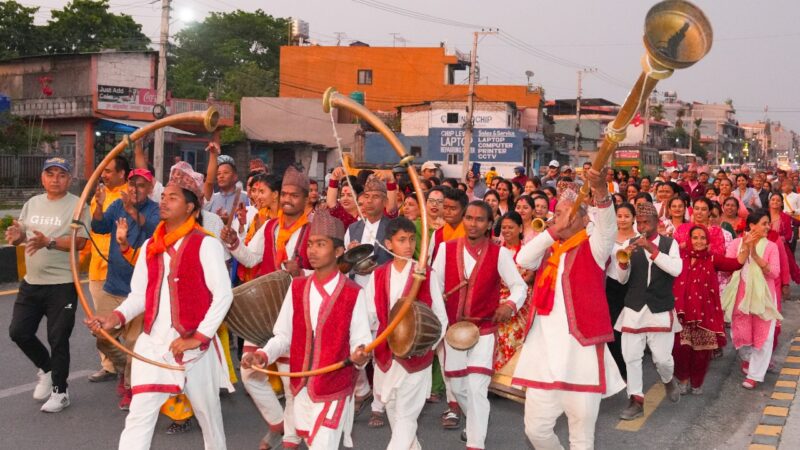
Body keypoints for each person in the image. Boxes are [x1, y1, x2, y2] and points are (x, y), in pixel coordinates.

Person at [86, 165, 233, 449]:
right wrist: (115, 317)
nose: (164, 201)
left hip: (194, 350)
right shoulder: (152, 245)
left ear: (191, 207)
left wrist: (197, 338)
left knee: (209, 418)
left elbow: (223, 297)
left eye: (173, 197)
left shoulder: (207, 245)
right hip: (153, 345)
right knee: (139, 415)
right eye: (163, 195)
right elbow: (139, 295)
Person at [514, 168, 625, 450]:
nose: (556, 217)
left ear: (582, 218)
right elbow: (524, 259)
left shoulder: (595, 248)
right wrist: (553, 230)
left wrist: (601, 193)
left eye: (564, 212)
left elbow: (609, 227)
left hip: (581, 356)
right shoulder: (548, 248)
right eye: (556, 212)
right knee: (536, 431)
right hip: (543, 357)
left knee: (582, 439)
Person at [242, 210, 371, 449]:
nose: (312, 250)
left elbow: (361, 341)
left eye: (320, 244)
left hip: (335, 386)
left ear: (339, 251)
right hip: (301, 385)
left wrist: (361, 355)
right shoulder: (297, 287)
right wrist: (262, 354)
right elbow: (282, 335)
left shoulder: (354, 293)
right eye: (310, 244)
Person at [221, 167, 313, 449]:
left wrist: (303, 273)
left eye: (293, 195)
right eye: (284, 194)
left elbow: (332, 270)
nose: (287, 200)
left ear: (305, 198)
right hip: (264, 313)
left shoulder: (315, 227)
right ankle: (278, 423)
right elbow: (251, 259)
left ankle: (290, 438)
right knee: (249, 373)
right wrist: (234, 243)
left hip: (297, 313)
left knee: (289, 382)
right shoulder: (270, 226)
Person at [431, 201, 527, 449]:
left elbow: (519, 286)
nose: (473, 224)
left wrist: (509, 305)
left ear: (488, 224)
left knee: (476, 388)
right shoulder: (445, 249)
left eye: (480, 219)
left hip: (484, 331)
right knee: (459, 386)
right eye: (469, 218)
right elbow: (435, 287)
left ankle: (475, 443)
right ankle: (474, 420)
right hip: (452, 331)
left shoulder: (500, 253)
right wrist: (441, 325)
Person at [7, 157, 90, 413]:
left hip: (62, 284)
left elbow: (81, 242)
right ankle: (46, 367)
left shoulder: (77, 205)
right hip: (32, 283)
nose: (55, 179)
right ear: (43, 178)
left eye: (61, 175)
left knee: (58, 338)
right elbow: (21, 234)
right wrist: (18, 236)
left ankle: (60, 391)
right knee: (18, 332)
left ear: (70, 179)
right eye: (50, 174)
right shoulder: (33, 203)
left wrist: (50, 242)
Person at [364, 217, 448, 450]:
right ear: (388, 245)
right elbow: (369, 316)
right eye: (402, 240)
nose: (408, 245)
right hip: (385, 358)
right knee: (396, 415)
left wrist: (425, 345)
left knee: (406, 418)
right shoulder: (378, 275)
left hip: (416, 359)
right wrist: (363, 344)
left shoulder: (426, 274)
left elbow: (441, 318)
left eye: (411, 239)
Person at [90, 168, 160, 409]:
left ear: (150, 188)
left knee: (133, 343)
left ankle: (132, 387)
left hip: (139, 292)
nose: (135, 189)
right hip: (113, 286)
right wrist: (99, 206)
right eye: (132, 184)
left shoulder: (156, 209)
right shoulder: (117, 206)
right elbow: (98, 227)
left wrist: (131, 210)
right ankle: (123, 370)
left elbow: (154, 231)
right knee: (102, 334)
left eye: (141, 185)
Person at [613, 202, 683, 420]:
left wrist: (651, 249)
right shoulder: (628, 243)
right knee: (631, 357)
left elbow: (676, 269)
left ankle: (668, 379)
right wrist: (623, 264)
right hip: (634, 307)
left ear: (657, 223)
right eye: (639, 222)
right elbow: (622, 279)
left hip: (659, 307)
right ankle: (636, 400)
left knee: (662, 359)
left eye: (647, 222)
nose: (642, 226)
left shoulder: (670, 244)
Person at [673, 225, 747, 395]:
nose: (699, 241)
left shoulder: (712, 258)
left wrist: (747, 245)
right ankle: (683, 380)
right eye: (695, 237)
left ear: (707, 241)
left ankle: (697, 383)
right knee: (680, 349)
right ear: (689, 240)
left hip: (704, 314)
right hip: (682, 314)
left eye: (702, 238)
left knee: (701, 352)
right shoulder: (679, 257)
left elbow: (736, 263)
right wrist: (679, 246)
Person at [722, 211, 782, 389]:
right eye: (763, 223)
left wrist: (755, 255)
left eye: (768, 223)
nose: (767, 227)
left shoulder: (771, 247)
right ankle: (748, 359)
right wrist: (745, 249)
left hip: (763, 298)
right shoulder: (736, 243)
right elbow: (728, 266)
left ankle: (754, 375)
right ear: (752, 226)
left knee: (764, 337)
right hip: (739, 296)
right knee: (740, 334)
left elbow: (774, 273)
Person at [88, 154, 130, 383]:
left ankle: (133, 372)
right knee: (101, 326)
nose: (103, 174)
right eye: (102, 170)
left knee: (127, 324)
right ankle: (111, 366)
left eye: (108, 171)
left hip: (123, 271)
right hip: (98, 269)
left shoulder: (130, 196)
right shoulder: (98, 196)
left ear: (122, 174)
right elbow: (95, 227)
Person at [605, 203, 637, 380]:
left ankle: (630, 367)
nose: (622, 219)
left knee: (629, 330)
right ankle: (619, 369)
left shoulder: (640, 239)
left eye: (626, 216)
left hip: (633, 287)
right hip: (611, 287)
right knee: (612, 329)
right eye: (619, 216)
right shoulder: (608, 237)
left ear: (633, 218)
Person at [345, 176, 393, 286]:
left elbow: (401, 261)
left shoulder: (393, 228)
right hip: (356, 288)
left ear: (385, 202)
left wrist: (380, 269)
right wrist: (349, 253)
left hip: (383, 286)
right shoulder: (353, 228)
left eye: (375, 197)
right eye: (366, 196)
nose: (369, 201)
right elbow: (344, 264)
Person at [428, 187, 468, 261]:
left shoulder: (471, 234)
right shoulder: (437, 234)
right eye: (445, 207)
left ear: (464, 210)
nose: (447, 212)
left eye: (453, 209)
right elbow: (430, 261)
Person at [204, 154, 248, 219]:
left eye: (226, 172)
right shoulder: (212, 199)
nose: (221, 176)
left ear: (235, 176)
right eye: (218, 174)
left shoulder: (246, 197)